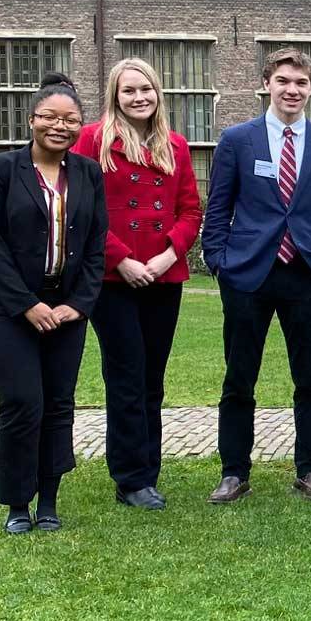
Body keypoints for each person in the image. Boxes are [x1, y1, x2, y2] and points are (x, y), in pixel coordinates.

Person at [201, 47, 311, 505]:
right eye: (284, 81)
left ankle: (310, 470)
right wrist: (218, 260)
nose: (292, 90)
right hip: (247, 274)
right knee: (239, 376)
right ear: (267, 83)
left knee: (310, 377)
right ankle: (233, 472)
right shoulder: (237, 140)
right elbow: (219, 206)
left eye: (301, 83)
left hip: (306, 273)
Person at [0, 73, 107, 534]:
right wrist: (27, 305)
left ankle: (48, 500)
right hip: (6, 311)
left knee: (57, 404)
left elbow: (95, 245)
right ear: (31, 120)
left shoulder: (88, 173)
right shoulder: (0, 171)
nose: (59, 126)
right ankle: (17, 504)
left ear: (80, 126)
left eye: (70, 119)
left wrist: (79, 304)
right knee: (22, 401)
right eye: (49, 116)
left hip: (66, 310)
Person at [71, 57, 202, 512]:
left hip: (164, 276)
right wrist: (122, 259)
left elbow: (191, 212)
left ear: (157, 93)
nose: (138, 97)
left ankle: (149, 469)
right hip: (113, 278)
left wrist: (168, 255)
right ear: (115, 96)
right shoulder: (92, 140)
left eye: (145, 89)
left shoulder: (176, 146)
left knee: (153, 380)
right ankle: (130, 478)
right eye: (129, 91)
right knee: (126, 375)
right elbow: (82, 211)